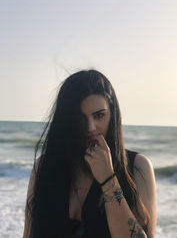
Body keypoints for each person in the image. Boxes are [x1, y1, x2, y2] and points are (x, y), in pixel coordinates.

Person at [23, 69, 157, 238]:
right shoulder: (45, 167)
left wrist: (108, 180)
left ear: (113, 115)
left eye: (99, 115)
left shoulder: (138, 167)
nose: (90, 128)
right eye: (79, 118)